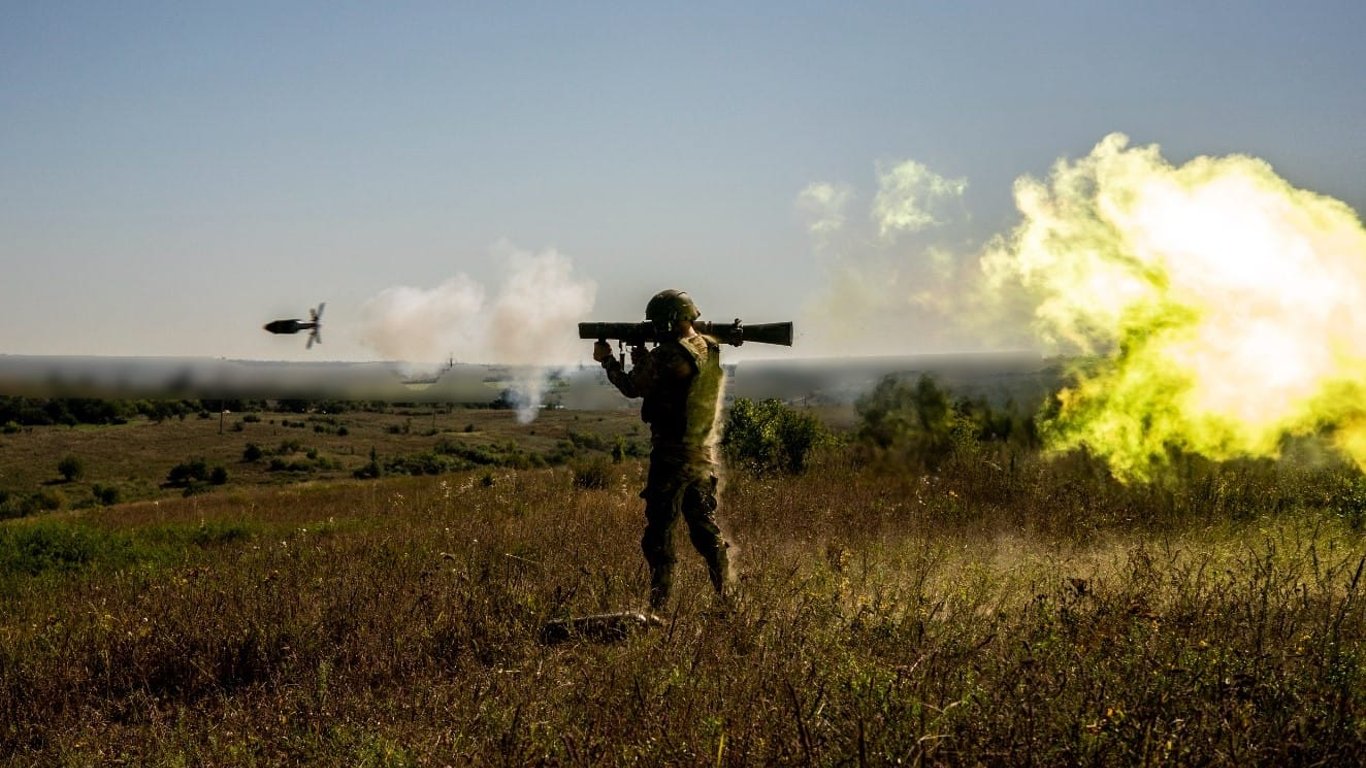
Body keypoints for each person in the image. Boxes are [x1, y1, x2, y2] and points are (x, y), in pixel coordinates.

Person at [593, 289, 734, 611]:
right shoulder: (707, 347)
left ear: (669, 321)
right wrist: (643, 355)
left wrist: (608, 361)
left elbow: (632, 387)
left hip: (671, 452)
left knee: (659, 533)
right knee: (703, 526)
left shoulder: (667, 354)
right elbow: (669, 382)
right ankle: (726, 596)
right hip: (700, 451)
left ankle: (659, 606)